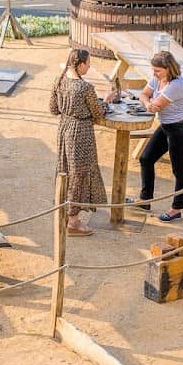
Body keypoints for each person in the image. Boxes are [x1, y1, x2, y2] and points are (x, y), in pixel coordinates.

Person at [49, 48, 114, 236]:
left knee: (66, 170)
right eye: (88, 63)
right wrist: (107, 101)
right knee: (79, 175)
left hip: (64, 129)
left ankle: (66, 212)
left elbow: (53, 109)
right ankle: (73, 221)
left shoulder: (59, 80)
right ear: (80, 64)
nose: (89, 66)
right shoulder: (85, 88)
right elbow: (98, 112)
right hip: (81, 134)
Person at [131, 50, 183, 222]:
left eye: (158, 71)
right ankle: (145, 200)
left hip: (181, 129)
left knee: (179, 171)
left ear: (168, 68)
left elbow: (156, 106)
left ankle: (177, 209)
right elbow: (144, 95)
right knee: (146, 159)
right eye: (153, 70)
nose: (154, 73)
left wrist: (149, 103)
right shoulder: (157, 78)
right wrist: (147, 102)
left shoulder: (176, 85)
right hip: (167, 125)